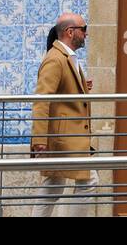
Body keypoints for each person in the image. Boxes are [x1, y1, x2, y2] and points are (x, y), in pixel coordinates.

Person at [30, 12, 97, 216]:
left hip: (67, 137)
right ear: (70, 32)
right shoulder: (55, 59)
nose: (86, 34)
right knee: (89, 181)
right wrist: (39, 138)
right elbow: (42, 99)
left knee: (54, 185)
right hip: (64, 138)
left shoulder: (66, 57)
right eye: (83, 29)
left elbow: (61, 90)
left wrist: (80, 86)